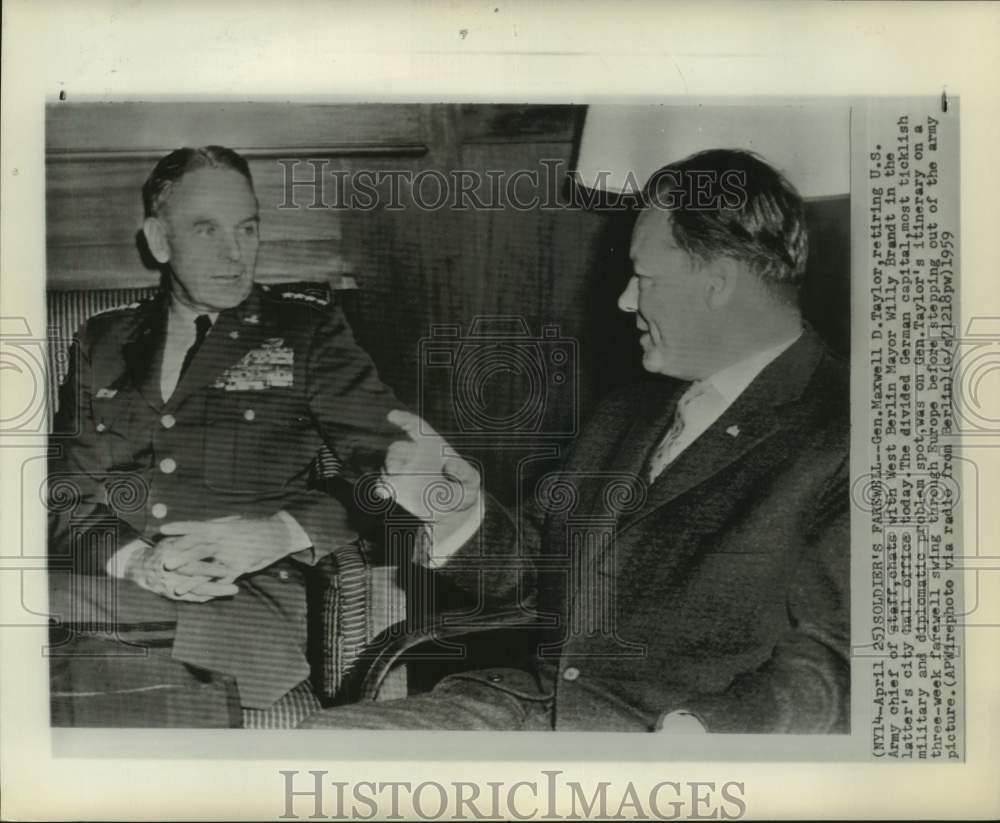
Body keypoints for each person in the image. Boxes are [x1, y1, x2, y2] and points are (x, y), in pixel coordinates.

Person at [301, 149, 850, 733]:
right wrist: (459, 511)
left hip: (675, 747)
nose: (625, 301)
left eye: (644, 278)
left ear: (717, 282)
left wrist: (706, 735)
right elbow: (537, 570)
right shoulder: (630, 410)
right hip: (534, 714)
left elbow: (838, 664)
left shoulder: (853, 431)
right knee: (324, 747)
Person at [48, 146, 401, 717]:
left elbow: (396, 473)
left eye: (247, 228)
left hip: (239, 605)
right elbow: (66, 495)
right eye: (207, 229)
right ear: (159, 241)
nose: (236, 253)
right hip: (111, 591)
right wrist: (134, 560)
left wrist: (282, 532)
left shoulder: (307, 333)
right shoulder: (103, 341)